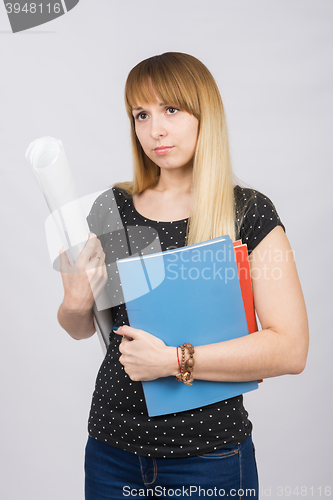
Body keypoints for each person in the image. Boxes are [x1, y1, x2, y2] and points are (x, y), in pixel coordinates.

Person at [57, 52, 309, 499]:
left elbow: (290, 348)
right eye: (141, 114)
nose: (155, 129)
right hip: (111, 450)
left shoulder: (247, 211)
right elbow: (85, 327)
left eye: (170, 110)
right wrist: (73, 304)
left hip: (208, 456)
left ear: (203, 113)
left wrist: (174, 361)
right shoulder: (111, 207)